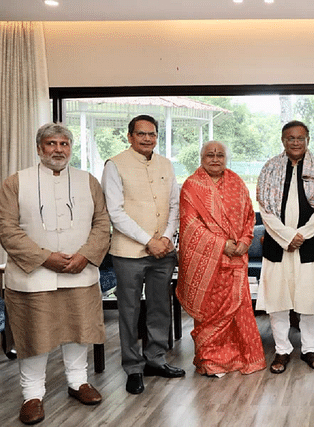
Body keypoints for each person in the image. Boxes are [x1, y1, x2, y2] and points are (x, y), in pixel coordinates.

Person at [0, 123, 110, 425]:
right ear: (39, 148)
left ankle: (78, 383)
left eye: (64, 144)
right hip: (33, 276)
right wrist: (45, 258)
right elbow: (7, 229)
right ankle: (32, 395)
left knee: (78, 330)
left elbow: (102, 223)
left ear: (70, 148)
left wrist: (86, 255)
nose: (58, 149)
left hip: (80, 271)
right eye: (51, 143)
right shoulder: (15, 182)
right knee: (35, 336)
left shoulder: (88, 181)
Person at [102, 115, 185, 395]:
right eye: (141, 134)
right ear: (129, 136)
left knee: (160, 306)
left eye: (152, 134)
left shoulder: (166, 164)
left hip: (163, 250)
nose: (147, 139)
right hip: (129, 252)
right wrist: (148, 240)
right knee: (129, 310)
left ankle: (156, 360)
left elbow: (175, 205)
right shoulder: (114, 165)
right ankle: (133, 367)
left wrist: (166, 238)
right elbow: (115, 211)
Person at [177, 141, 266, 376]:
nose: (215, 159)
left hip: (237, 258)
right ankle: (212, 360)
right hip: (209, 262)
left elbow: (249, 215)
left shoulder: (236, 182)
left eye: (220, 155)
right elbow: (190, 225)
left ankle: (242, 357)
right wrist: (221, 245)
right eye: (210, 155)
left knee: (239, 310)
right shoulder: (191, 186)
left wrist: (246, 240)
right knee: (211, 311)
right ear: (201, 157)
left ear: (226, 158)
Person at [256, 120, 314, 373]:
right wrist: (286, 236)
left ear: (308, 140)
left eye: (300, 138)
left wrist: (302, 235)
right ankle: (282, 350)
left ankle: (309, 349)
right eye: (290, 138)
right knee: (278, 301)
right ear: (283, 140)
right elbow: (264, 209)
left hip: (309, 245)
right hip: (279, 245)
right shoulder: (270, 168)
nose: (296, 142)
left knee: (310, 300)